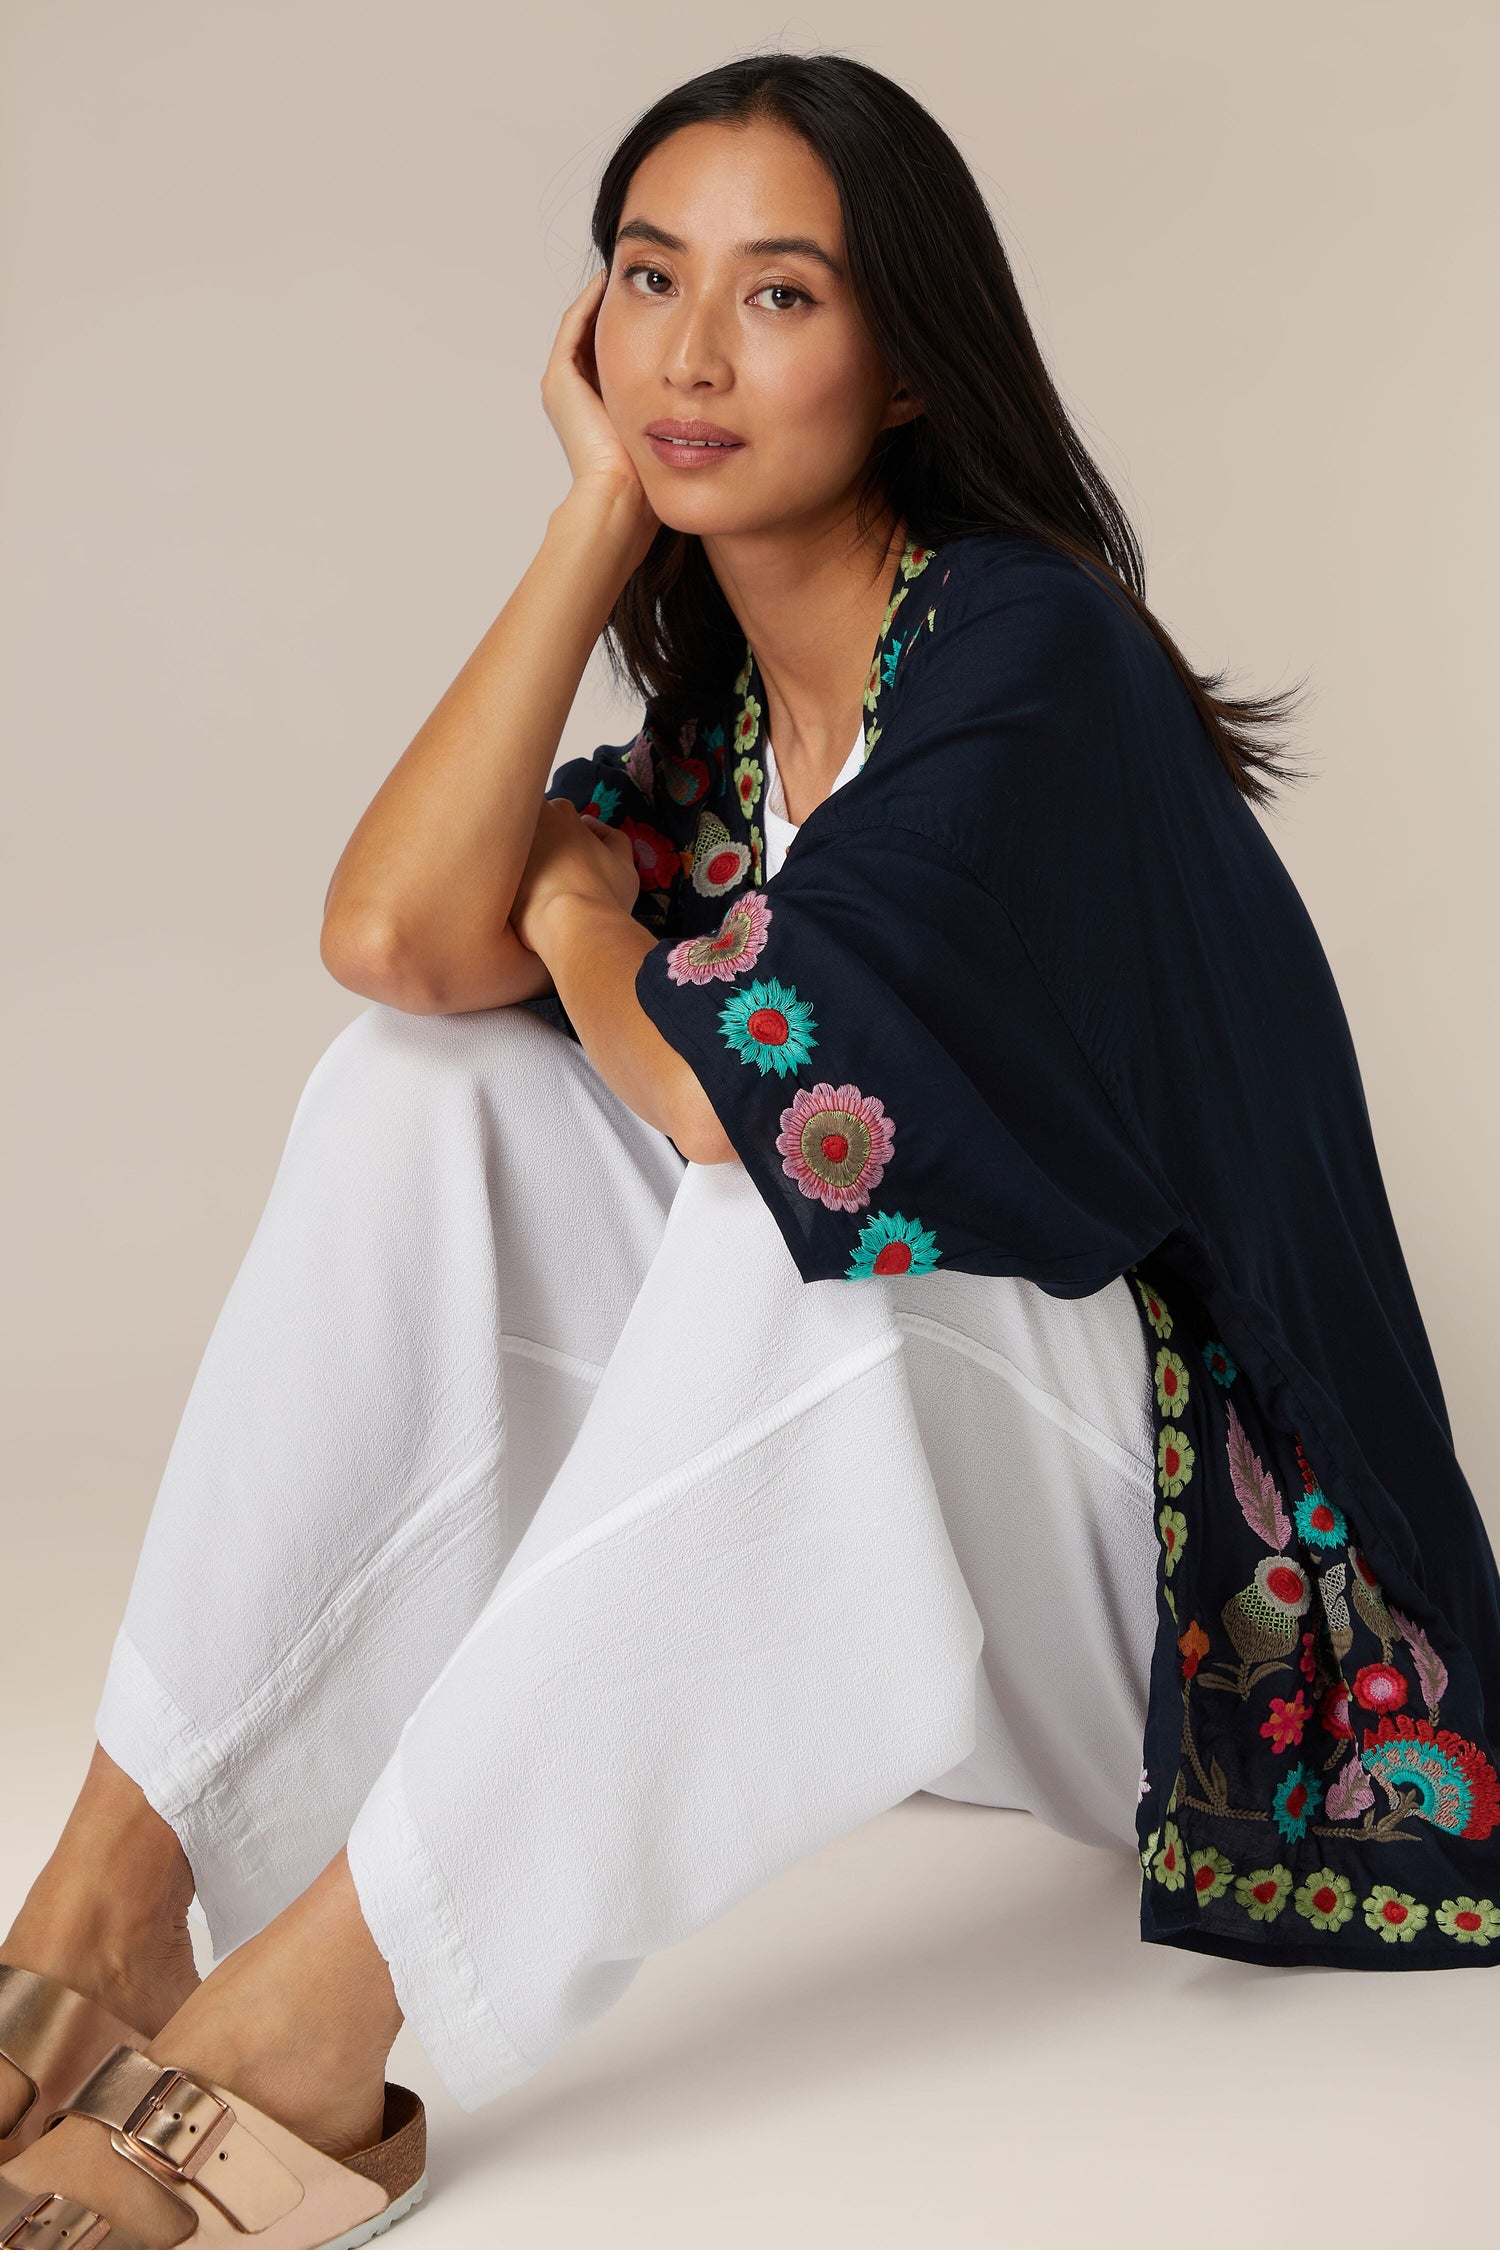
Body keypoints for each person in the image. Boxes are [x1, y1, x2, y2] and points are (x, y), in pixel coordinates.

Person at [5, 48, 1498, 2250]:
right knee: (422, 1097)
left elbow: (749, 1109)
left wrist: (600, 929)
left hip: (1225, 1650)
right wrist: (593, 518)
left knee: (822, 1233)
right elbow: (395, 940)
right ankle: (115, 1899)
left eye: (779, 295)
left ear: (905, 358)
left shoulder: (1027, 656)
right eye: (643, 278)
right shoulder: (722, 712)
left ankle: (321, 2021)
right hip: (968, 1612)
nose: (691, 353)